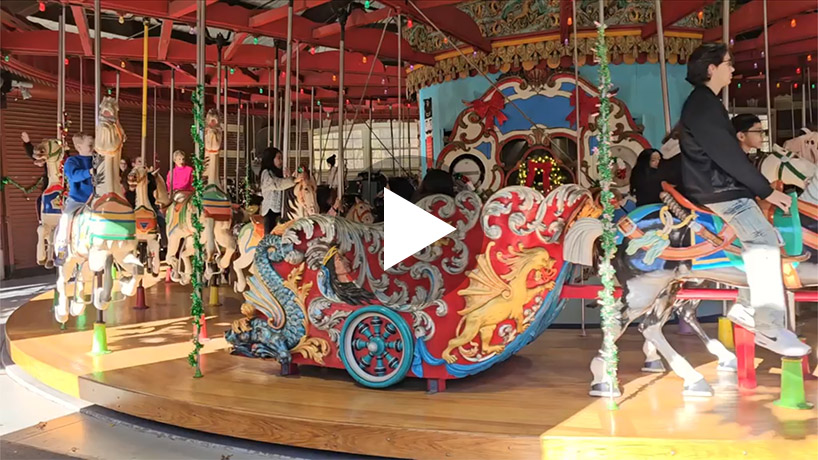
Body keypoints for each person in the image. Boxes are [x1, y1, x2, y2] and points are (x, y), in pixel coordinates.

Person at [679, 43, 808, 357]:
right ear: (711, 68)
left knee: (763, 238)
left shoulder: (707, 103)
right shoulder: (703, 105)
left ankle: (746, 308)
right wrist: (766, 190)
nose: (733, 69)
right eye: (728, 63)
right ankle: (769, 328)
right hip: (719, 189)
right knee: (763, 239)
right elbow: (727, 155)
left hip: (722, 186)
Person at [54, 132, 95, 264]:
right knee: (66, 218)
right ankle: (62, 247)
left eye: (94, 144)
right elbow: (73, 176)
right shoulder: (72, 161)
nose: (93, 147)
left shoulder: (98, 160)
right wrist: (89, 172)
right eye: (90, 144)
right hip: (78, 199)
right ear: (79, 146)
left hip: (96, 199)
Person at [259, 147, 298, 234]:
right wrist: (293, 180)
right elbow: (277, 184)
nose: (281, 161)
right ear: (271, 159)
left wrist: (292, 176)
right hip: (270, 211)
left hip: (282, 210)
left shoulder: (279, 173)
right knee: (270, 235)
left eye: (281, 158)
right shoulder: (266, 173)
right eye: (279, 158)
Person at [21, 132, 48, 221]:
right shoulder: (46, 160)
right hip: (48, 185)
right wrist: (27, 143)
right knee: (40, 200)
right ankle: (41, 221)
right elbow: (33, 154)